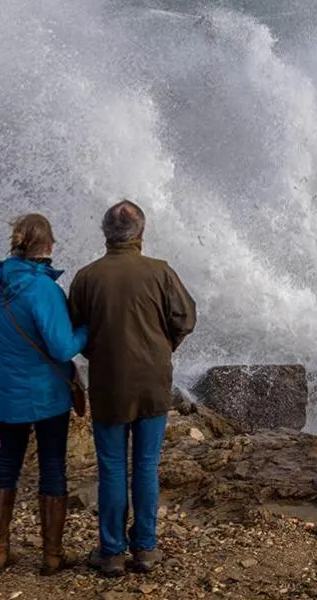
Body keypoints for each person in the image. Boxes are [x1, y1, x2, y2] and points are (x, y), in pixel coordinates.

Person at [68, 200, 196, 578]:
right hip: (153, 382)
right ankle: (145, 549)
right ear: (141, 233)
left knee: (111, 468)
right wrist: (164, 346)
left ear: (106, 233)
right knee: (145, 466)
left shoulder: (87, 277)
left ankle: (111, 553)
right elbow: (185, 318)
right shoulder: (160, 272)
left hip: (108, 383)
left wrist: (97, 352)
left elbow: (76, 331)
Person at [0, 213, 89, 576]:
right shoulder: (43, 289)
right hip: (46, 394)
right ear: (50, 246)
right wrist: (87, 331)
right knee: (52, 466)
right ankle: (52, 557)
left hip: (8, 391)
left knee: (7, 462)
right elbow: (61, 348)